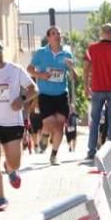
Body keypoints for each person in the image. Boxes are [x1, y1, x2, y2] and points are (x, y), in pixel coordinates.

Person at [0, 37, 36, 211]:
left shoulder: (15, 70)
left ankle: (10, 168)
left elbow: (34, 88)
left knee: (16, 162)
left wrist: (22, 98)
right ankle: (1, 198)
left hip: (12, 123)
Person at [28, 26, 76, 166]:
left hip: (61, 94)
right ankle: (44, 134)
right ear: (48, 37)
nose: (57, 36)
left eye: (58, 33)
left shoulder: (67, 54)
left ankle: (53, 155)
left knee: (60, 126)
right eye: (53, 33)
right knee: (50, 124)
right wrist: (40, 75)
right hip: (45, 95)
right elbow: (29, 69)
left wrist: (71, 67)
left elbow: (73, 77)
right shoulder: (41, 53)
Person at [84, 23, 111, 160]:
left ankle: (91, 150)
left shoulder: (92, 49)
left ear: (101, 33)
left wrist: (85, 86)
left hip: (97, 88)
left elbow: (85, 68)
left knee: (95, 120)